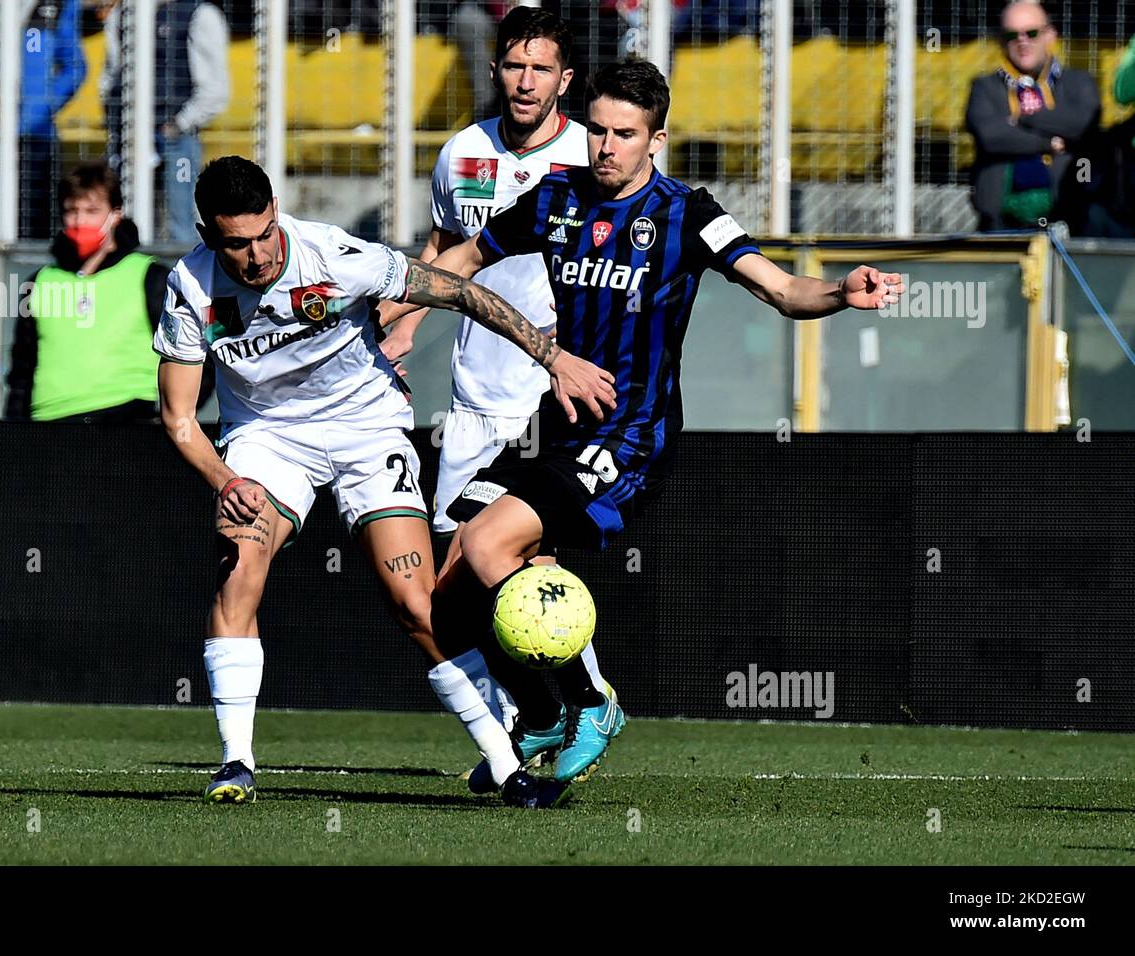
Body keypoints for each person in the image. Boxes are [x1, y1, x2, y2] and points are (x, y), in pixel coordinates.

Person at [422, 58, 903, 785]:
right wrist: (386, 306)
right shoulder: (555, 198)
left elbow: (780, 290)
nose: (606, 147)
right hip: (558, 423)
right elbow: (462, 258)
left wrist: (840, 289)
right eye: (597, 131)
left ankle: (588, 705)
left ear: (657, 139)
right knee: (458, 571)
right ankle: (545, 713)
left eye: (625, 134)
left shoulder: (688, 214)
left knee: (490, 545)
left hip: (630, 432)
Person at [154, 155, 614, 807]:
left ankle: (507, 764)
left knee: (415, 603)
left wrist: (553, 356)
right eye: (236, 243)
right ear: (208, 234)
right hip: (268, 437)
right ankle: (235, 763)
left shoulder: (337, 257)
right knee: (239, 565)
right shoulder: (192, 289)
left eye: (264, 234)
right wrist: (226, 480)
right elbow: (176, 418)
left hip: (368, 429)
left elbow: (461, 291)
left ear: (276, 211)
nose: (256, 256)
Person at [379, 6, 611, 789]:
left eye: (541, 68)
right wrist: (401, 331)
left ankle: (570, 709)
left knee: (502, 563)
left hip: (547, 399)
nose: (525, 81)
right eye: (514, 65)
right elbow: (449, 254)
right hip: (472, 397)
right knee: (468, 586)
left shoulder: (590, 154)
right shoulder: (464, 153)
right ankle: (543, 718)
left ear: (565, 80)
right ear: (496, 70)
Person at [6, 163, 200, 422]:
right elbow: (22, 370)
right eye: (71, 211)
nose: (80, 221)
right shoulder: (40, 282)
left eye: (92, 211)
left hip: (128, 423)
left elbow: (193, 355)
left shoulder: (150, 277)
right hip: (50, 425)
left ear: (116, 214)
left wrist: (176, 418)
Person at [0, 0, 87, 239]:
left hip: (34, 137)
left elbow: (75, 66)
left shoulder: (57, 5)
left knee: (32, 220)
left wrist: (41, 107)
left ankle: (25, 276)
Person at [101, 0, 230, 246]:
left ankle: (182, 281)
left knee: (180, 224)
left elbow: (216, 89)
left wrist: (178, 124)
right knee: (122, 221)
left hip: (176, 138)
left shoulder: (200, 15)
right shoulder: (123, 13)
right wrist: (115, 117)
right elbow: (110, 73)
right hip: (127, 136)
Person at [964, 0, 1098, 231]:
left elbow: (1082, 124)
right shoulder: (984, 86)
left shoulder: (1079, 83)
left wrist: (1022, 118)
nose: (1022, 41)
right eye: (1012, 35)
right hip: (1000, 223)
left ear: (1050, 35)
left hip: (1070, 218)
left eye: (1032, 33)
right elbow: (990, 136)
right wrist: (1048, 142)